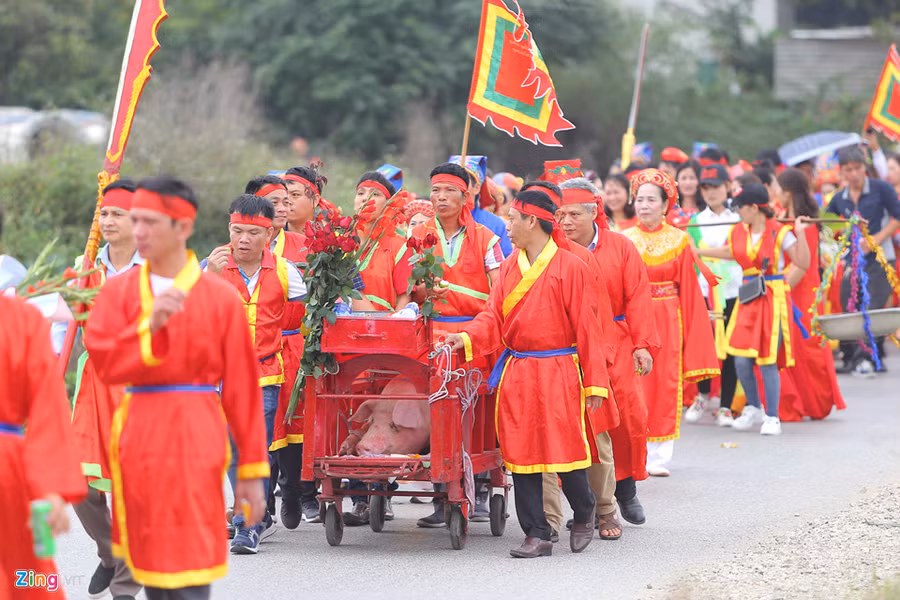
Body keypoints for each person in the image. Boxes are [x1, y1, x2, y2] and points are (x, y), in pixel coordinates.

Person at [84, 176, 269, 599]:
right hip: (138, 435)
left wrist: (252, 471)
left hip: (197, 433)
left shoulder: (220, 298)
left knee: (189, 564)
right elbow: (106, 365)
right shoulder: (117, 293)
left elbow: (242, 390)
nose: (139, 231)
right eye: (136, 220)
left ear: (183, 226)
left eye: (151, 221)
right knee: (151, 564)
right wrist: (147, 328)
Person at [444, 188, 609, 558]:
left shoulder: (571, 268)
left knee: (565, 448)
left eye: (512, 219)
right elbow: (492, 316)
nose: (507, 226)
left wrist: (595, 383)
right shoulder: (508, 267)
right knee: (520, 453)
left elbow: (588, 329)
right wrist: (466, 337)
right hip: (518, 369)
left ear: (532, 220)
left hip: (559, 369)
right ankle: (537, 532)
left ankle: (585, 509)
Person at [553, 177, 659, 535]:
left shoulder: (620, 247)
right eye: (561, 214)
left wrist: (642, 344)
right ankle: (588, 502)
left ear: (594, 212)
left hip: (615, 340)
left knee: (626, 417)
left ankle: (626, 489)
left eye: (574, 214)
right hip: (570, 345)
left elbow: (638, 297)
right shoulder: (554, 249)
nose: (566, 222)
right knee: (579, 423)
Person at [206, 194, 307, 553]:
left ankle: (248, 525)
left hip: (264, 374)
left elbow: (307, 312)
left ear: (269, 234)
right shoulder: (210, 266)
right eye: (237, 231)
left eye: (252, 232)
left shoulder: (285, 270)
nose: (243, 240)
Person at [410, 162, 505, 528]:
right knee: (435, 413)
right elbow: (406, 287)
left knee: (473, 415)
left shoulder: (486, 238)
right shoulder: (418, 234)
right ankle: (441, 493)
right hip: (431, 338)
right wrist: (422, 291)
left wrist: (478, 327)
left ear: (467, 196)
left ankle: (478, 487)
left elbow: (500, 291)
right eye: (435, 190)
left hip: (474, 336)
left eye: (449, 190)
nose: (441, 197)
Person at [63, 180, 143, 599]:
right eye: (104, 214)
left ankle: (125, 587)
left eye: (117, 214)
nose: (108, 221)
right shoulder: (86, 266)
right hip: (94, 386)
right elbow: (64, 326)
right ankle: (110, 553)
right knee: (79, 484)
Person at [622, 169, 720, 476]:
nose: (644, 205)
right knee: (633, 385)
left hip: (667, 318)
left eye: (651, 200)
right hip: (632, 318)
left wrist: (694, 332)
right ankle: (634, 451)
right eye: (640, 199)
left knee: (664, 383)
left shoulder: (679, 240)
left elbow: (689, 291)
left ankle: (659, 456)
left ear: (666, 204)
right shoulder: (623, 239)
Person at [696, 183, 811, 436]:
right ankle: (755, 407)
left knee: (768, 360)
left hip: (772, 298)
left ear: (753, 208)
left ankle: (772, 416)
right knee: (740, 359)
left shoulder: (780, 232)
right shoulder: (739, 230)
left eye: (740, 208)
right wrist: (697, 251)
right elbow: (730, 252)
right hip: (748, 298)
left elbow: (802, 262)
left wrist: (801, 234)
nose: (738, 212)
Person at [1, 293, 88, 600]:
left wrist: (51, 488)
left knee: (28, 578)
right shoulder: (22, 318)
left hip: (8, 472)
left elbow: (47, 406)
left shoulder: (22, 319)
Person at [243, 175, 318, 529]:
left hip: (295, 344)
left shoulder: (305, 245)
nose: (284, 207)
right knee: (262, 428)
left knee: (294, 425)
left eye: (287, 200)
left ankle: (294, 492)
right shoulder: (236, 251)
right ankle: (262, 506)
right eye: (275, 201)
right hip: (253, 350)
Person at [342, 171, 414, 526]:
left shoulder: (399, 245)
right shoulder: (340, 241)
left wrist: (391, 330)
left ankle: (382, 491)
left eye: (375, 195)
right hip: (346, 340)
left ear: (389, 204)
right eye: (361, 193)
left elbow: (403, 298)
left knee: (384, 415)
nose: (366, 200)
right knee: (349, 411)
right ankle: (358, 495)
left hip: (386, 340)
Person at [776, 168, 846, 421]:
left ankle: (816, 402)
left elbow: (803, 265)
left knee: (807, 346)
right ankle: (794, 402)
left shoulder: (805, 223)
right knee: (789, 347)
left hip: (803, 291)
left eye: (778, 188)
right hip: (786, 286)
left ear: (788, 192)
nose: (776, 193)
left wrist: (780, 288)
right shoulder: (782, 218)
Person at [827, 146, 900, 376]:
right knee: (849, 305)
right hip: (854, 261)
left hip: (881, 258)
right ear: (841, 172)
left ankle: (868, 358)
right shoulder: (840, 198)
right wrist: (837, 237)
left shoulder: (881, 189)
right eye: (848, 170)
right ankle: (855, 357)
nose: (854, 174)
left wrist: (876, 239)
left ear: (864, 168)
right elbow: (827, 224)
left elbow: (897, 217)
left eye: (857, 168)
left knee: (873, 308)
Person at [683, 164, 742, 427]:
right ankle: (703, 395)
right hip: (705, 291)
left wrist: (701, 252)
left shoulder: (738, 219)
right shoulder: (695, 221)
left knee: (731, 348)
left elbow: (738, 251)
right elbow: (689, 255)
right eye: (705, 188)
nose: (711, 192)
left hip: (734, 291)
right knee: (704, 345)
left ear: (727, 187)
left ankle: (726, 404)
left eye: (716, 187)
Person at [450, 155, 513, 256]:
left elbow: (506, 261)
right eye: (450, 182)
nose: (456, 187)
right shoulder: (433, 219)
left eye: (463, 181)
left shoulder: (496, 225)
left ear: (476, 187)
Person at [283, 166, 325, 234]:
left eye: (295, 194)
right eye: (284, 194)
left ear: (315, 200)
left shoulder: (332, 239)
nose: (287, 201)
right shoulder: (269, 237)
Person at [671, 160, 704, 228]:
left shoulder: (706, 211)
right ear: (677, 181)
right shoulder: (668, 211)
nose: (688, 183)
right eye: (683, 178)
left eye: (692, 178)